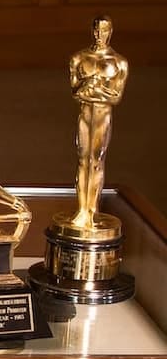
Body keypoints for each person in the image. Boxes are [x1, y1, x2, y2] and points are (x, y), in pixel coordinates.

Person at [68, 15, 128, 229]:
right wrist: (97, 90)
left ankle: (92, 210)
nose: (99, 35)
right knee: (83, 160)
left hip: (103, 115)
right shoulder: (78, 59)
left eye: (104, 31)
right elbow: (75, 92)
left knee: (97, 161)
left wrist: (92, 89)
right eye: (96, 30)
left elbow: (116, 96)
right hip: (85, 115)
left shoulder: (119, 63)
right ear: (91, 31)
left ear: (110, 32)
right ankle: (81, 210)